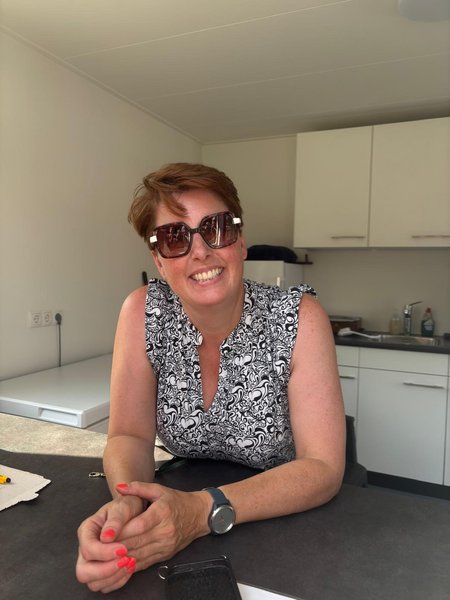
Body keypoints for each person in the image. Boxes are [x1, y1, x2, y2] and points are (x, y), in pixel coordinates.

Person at [76, 162, 345, 593]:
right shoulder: (143, 312)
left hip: (283, 520)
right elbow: (129, 435)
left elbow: (323, 468)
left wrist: (202, 511)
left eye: (216, 229)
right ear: (159, 260)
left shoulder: (299, 319)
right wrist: (131, 504)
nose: (200, 252)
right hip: (177, 509)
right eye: (174, 237)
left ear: (240, 241)